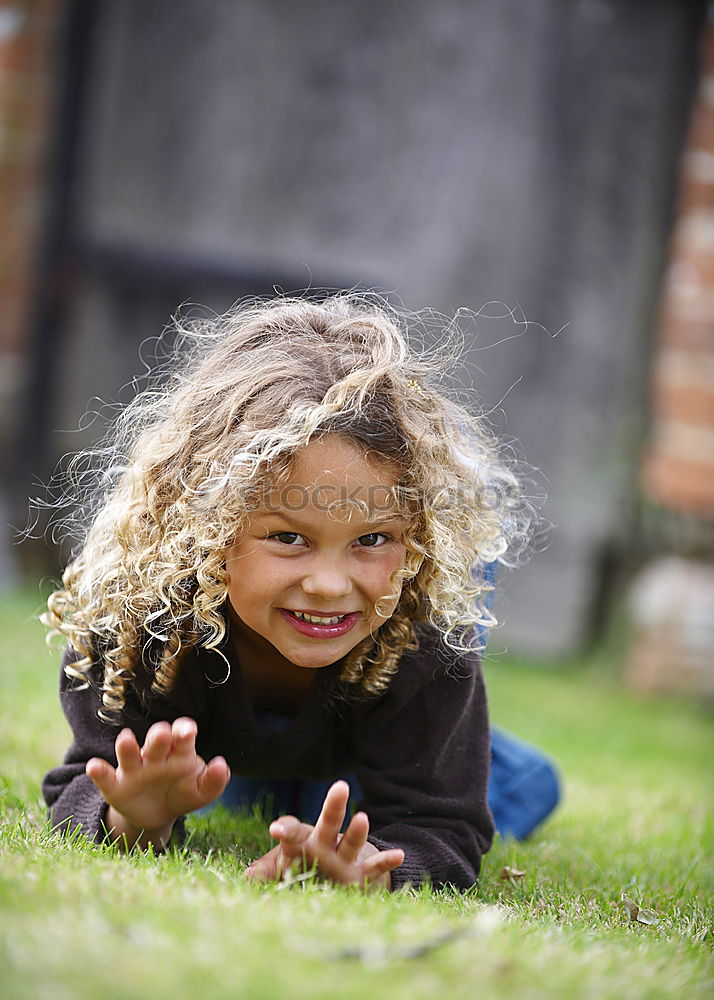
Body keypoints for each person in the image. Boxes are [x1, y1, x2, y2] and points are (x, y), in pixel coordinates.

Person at [41, 293, 543, 891]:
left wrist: (373, 871)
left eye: (373, 538)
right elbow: (81, 783)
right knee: (254, 795)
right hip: (253, 735)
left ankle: (518, 770)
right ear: (206, 525)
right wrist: (131, 817)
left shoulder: (421, 632)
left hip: (371, 713)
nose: (330, 585)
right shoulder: (136, 622)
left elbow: (440, 824)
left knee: (392, 797)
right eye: (288, 537)